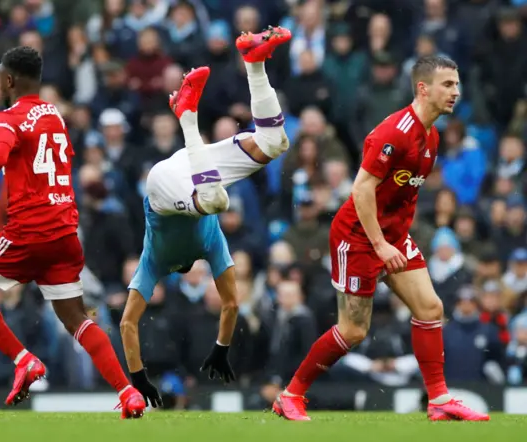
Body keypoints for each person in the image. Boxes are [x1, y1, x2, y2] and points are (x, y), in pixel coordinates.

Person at [273, 55, 490, 422]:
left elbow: (402, 194)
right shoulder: (395, 132)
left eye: (457, 84)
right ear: (423, 88)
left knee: (431, 309)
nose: (456, 91)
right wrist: (380, 245)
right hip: (357, 236)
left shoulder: (432, 135)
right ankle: (291, 394)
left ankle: (438, 400)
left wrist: (397, 237)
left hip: (391, 234)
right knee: (354, 330)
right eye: (448, 85)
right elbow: (361, 190)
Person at [0, 46, 146, 419]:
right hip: (65, 232)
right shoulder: (55, 115)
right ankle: (128, 393)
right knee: (76, 318)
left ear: (7, 80)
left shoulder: (6, 119)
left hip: (28, 231)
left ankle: (24, 360)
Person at [119, 27, 292, 407]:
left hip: (170, 182)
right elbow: (231, 304)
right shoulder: (210, 245)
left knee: (273, 141)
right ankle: (214, 95)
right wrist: (220, 348)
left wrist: (136, 379)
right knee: (223, 193)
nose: (197, 272)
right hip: (184, 178)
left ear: (182, 271)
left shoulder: (155, 261)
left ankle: (249, 64)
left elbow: (127, 323)